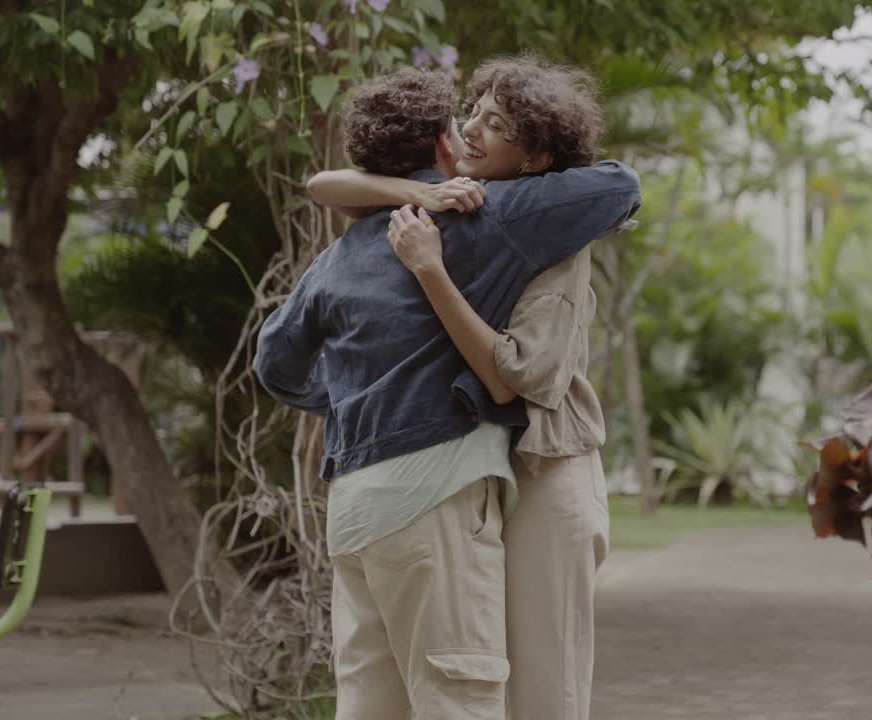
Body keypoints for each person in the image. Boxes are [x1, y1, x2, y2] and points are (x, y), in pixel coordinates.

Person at [255, 64, 639, 720]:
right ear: (441, 143)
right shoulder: (453, 212)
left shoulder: (510, 215)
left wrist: (354, 399)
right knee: (463, 689)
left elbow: (275, 360)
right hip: (454, 474)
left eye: (498, 124)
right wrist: (424, 195)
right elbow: (325, 185)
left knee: (535, 689)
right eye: (470, 117)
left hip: (541, 463)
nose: (472, 131)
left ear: (538, 152)